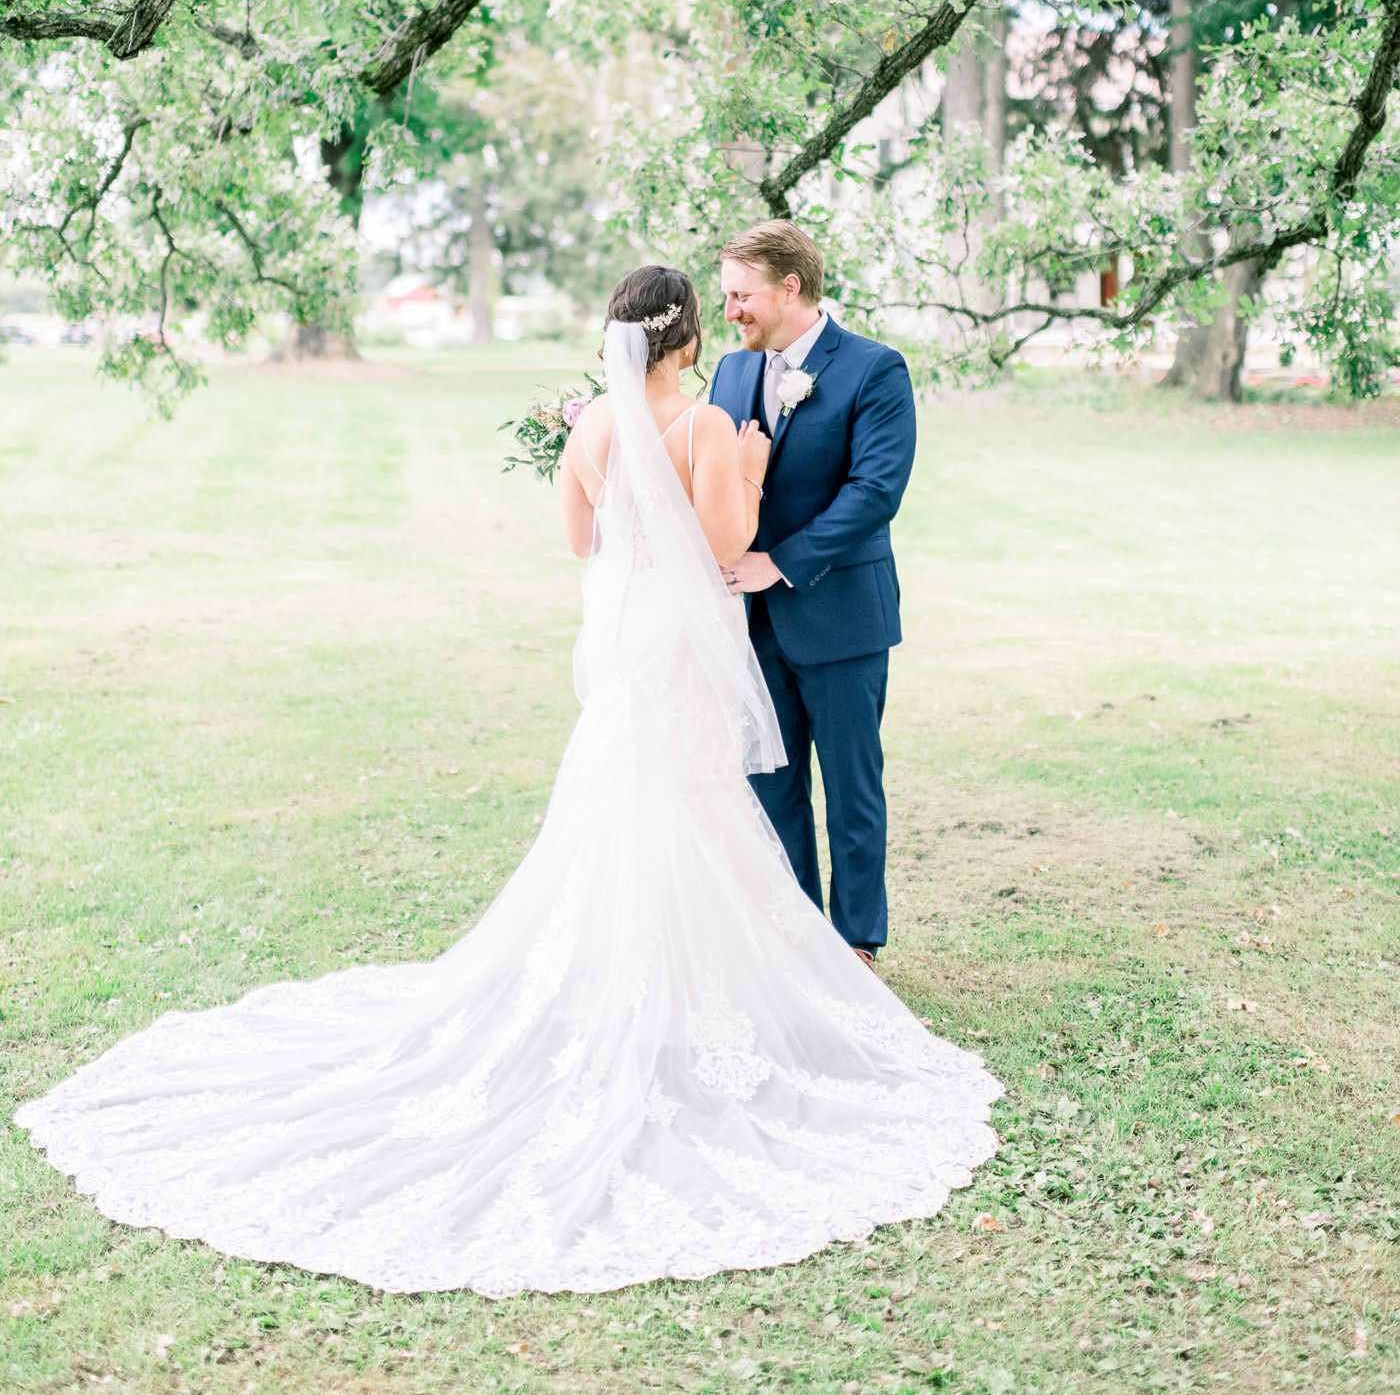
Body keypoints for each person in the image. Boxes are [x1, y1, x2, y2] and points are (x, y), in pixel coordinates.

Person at [16, 267, 999, 1297]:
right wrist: (748, 465)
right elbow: (725, 545)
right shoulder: (710, 424)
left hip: (623, 638)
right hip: (675, 642)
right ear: (685, 338)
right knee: (694, 802)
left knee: (622, 798)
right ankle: (714, 980)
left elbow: (582, 541)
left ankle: (625, 978)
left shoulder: (586, 430)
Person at [709, 222, 915, 966]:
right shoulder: (733, 374)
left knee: (852, 790)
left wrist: (782, 563)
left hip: (841, 615)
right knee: (773, 783)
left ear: (789, 288)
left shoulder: (874, 369)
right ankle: (798, 943)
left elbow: (875, 491)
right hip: (754, 622)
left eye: (742, 295)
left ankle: (856, 941)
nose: (730, 311)